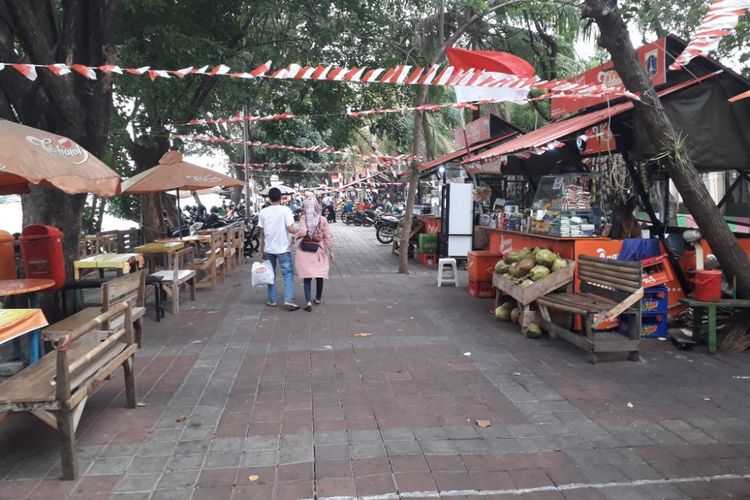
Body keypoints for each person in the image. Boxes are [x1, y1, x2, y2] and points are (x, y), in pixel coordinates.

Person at [258, 187, 300, 310]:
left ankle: (272, 300)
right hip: (283, 248)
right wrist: (302, 232)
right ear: (281, 197)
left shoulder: (263, 212)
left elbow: (261, 233)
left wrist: (261, 251)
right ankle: (288, 299)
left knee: (270, 274)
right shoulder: (286, 210)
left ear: (269, 198)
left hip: (269, 248)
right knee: (287, 274)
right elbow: (290, 228)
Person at [294, 197, 334, 311]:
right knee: (319, 274)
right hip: (319, 251)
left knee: (307, 276)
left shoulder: (303, 217)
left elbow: (302, 232)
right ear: (317, 206)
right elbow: (327, 237)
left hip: (305, 249)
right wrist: (331, 251)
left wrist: (296, 236)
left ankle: (308, 302)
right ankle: (317, 298)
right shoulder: (322, 220)